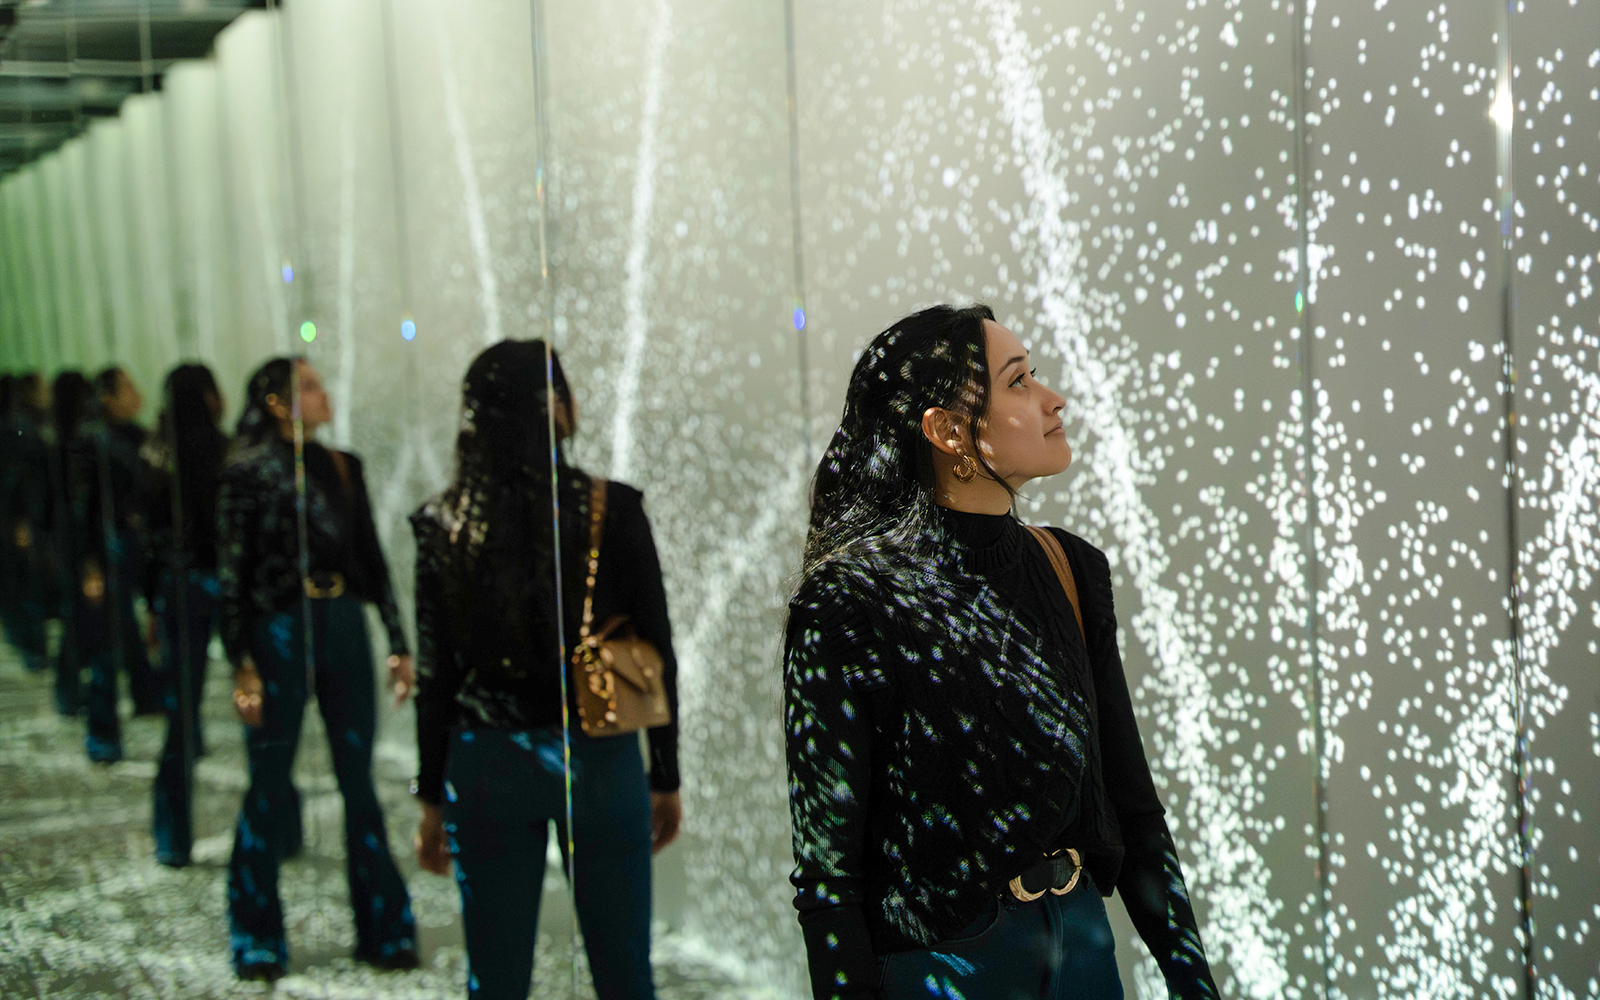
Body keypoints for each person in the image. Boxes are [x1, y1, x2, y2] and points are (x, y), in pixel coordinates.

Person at [784, 304, 1219, 1000]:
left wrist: (1191, 979)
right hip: (945, 969)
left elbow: (1133, 805)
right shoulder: (849, 601)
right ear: (949, 430)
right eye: (1018, 381)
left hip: (1083, 949)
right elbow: (829, 878)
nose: (1053, 399)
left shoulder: (1070, 568)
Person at [410, 340, 682, 1000]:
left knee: (495, 978)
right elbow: (658, 648)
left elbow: (435, 675)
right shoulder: (611, 509)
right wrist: (665, 774)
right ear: (556, 408)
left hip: (486, 763)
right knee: (624, 974)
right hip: (598, 755)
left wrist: (428, 794)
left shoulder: (443, 523)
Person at [218, 356, 417, 981]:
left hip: (340, 623)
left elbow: (374, 560)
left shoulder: (342, 466)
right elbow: (232, 574)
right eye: (307, 386)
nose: (322, 393)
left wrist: (397, 639)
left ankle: (384, 927)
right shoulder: (246, 474)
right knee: (269, 780)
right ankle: (256, 937)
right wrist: (241, 663)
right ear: (277, 403)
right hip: (277, 627)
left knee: (358, 781)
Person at [143, 363, 228, 867]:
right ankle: (282, 827)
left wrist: (151, 601)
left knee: (181, 717)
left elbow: (151, 537)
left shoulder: (159, 457)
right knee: (264, 714)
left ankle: (172, 837)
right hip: (225, 584)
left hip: (178, 588)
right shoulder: (226, 452)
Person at [72, 367, 162, 761]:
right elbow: (84, 510)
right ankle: (103, 733)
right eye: (127, 387)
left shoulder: (134, 436)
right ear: (106, 396)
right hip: (110, 552)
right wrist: (90, 564)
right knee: (109, 639)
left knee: (126, 629)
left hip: (131, 548)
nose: (135, 392)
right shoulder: (95, 442)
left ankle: (144, 697)